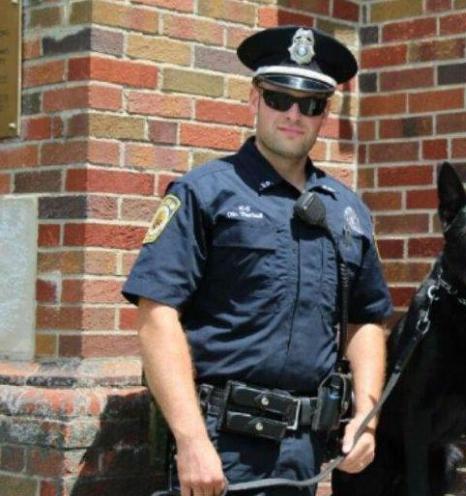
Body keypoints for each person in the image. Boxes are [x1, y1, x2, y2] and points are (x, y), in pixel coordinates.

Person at [122, 25, 393, 496]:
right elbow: (156, 315)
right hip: (221, 450)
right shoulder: (205, 194)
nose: (293, 114)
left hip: (306, 451)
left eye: (310, 104)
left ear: (324, 113)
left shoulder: (346, 211)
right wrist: (191, 440)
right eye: (278, 98)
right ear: (254, 100)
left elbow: (366, 319)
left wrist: (366, 422)